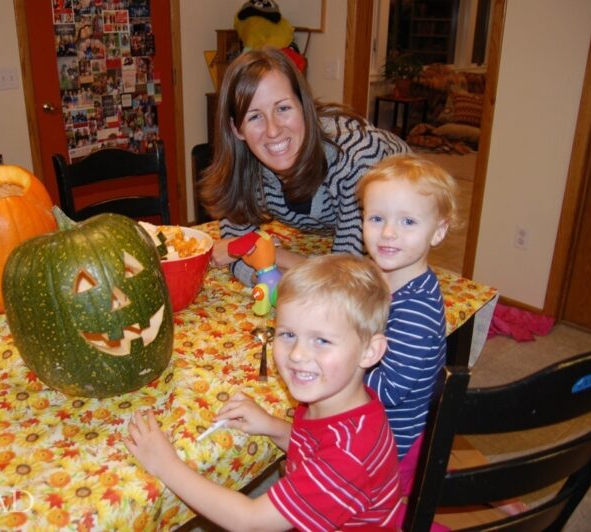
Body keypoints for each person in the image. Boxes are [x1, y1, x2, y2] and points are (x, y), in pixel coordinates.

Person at [125, 255, 402, 531]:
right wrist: (273, 427)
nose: (297, 354)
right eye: (288, 334)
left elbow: (251, 521)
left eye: (322, 340)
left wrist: (166, 464)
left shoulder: (349, 455)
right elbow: (315, 447)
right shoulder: (336, 397)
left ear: (369, 351)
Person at [199, 47, 410, 286]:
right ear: (237, 129)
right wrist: (268, 277)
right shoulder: (246, 167)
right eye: (254, 116)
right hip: (331, 227)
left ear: (304, 105)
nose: (273, 130)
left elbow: (345, 278)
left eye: (283, 108)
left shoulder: (355, 158)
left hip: (409, 200)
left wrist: (268, 252)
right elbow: (229, 252)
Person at [357, 154, 457, 464]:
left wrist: (333, 361)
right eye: (376, 218)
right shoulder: (378, 276)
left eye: (408, 221)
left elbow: (388, 390)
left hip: (391, 442)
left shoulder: (417, 309)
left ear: (438, 232)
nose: (388, 232)